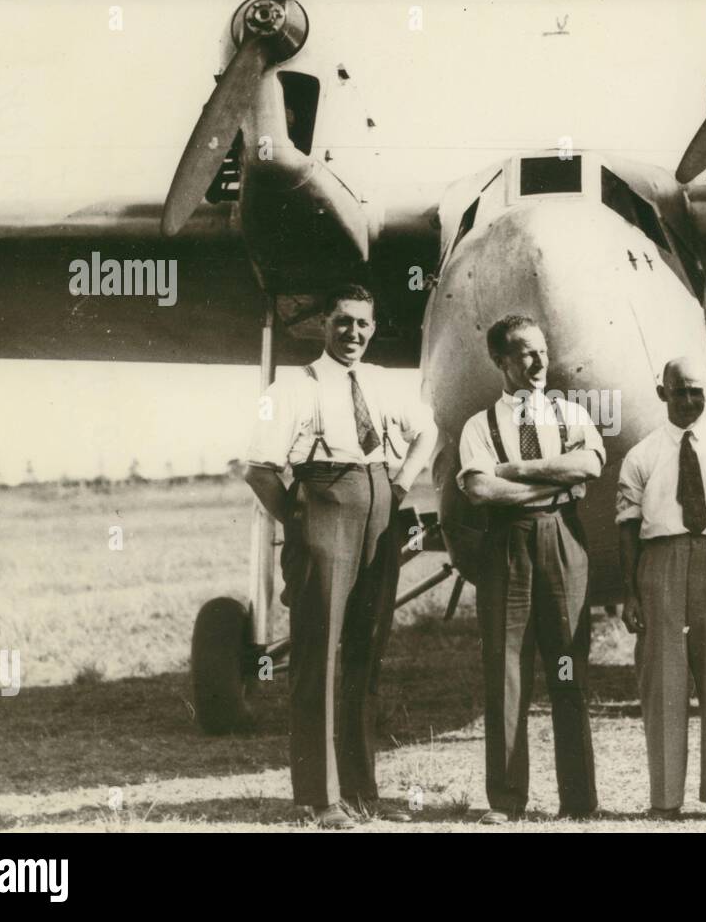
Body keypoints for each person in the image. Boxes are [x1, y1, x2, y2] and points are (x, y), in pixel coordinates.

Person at [244, 286, 437, 828]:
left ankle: (361, 792)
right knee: (319, 658)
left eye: (363, 324)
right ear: (323, 324)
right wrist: (300, 522)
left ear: (373, 328)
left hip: (380, 503)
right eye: (343, 322)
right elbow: (258, 468)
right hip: (323, 500)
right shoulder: (291, 387)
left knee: (364, 653)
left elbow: (429, 430)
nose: (354, 333)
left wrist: (400, 483)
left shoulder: (379, 381)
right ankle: (320, 798)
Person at [456, 314, 605, 824]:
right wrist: (554, 481)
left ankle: (580, 801)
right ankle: (506, 800)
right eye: (523, 352)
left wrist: (514, 471)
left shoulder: (570, 413)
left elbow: (589, 467)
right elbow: (479, 489)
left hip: (563, 539)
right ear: (500, 360)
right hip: (506, 547)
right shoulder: (479, 425)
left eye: (542, 351)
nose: (538, 362)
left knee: (569, 667)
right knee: (506, 671)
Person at [616, 357, 706, 820]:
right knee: (663, 682)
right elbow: (626, 530)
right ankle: (664, 800)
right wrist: (632, 593)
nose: (688, 400)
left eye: (696, 391)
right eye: (678, 391)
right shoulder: (641, 455)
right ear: (662, 394)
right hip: (660, 561)